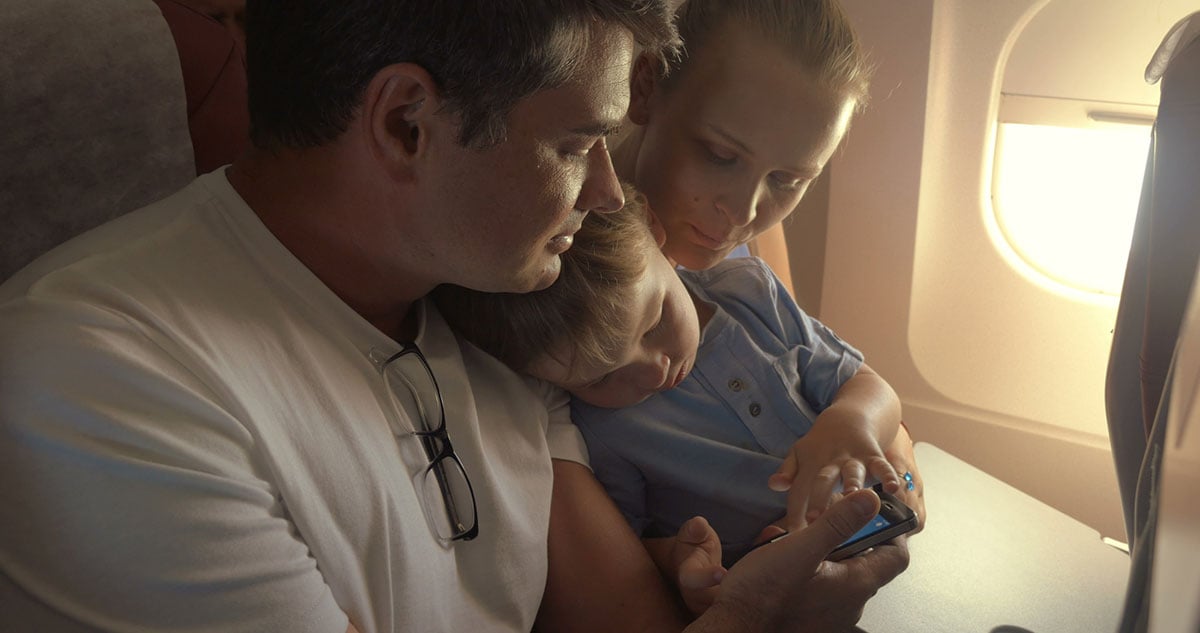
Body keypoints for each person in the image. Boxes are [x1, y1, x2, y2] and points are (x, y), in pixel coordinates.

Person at [0, 1, 908, 632]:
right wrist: (762, 617)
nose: (605, 190)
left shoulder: (503, 321)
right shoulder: (99, 380)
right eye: (576, 143)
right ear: (405, 124)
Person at [437, 182, 903, 573]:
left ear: (655, 232)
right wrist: (683, 559)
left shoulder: (749, 293)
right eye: (604, 377)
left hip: (881, 517)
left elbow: (868, 384)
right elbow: (632, 542)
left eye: (657, 320)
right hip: (782, 571)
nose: (655, 369)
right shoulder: (603, 430)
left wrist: (852, 421)